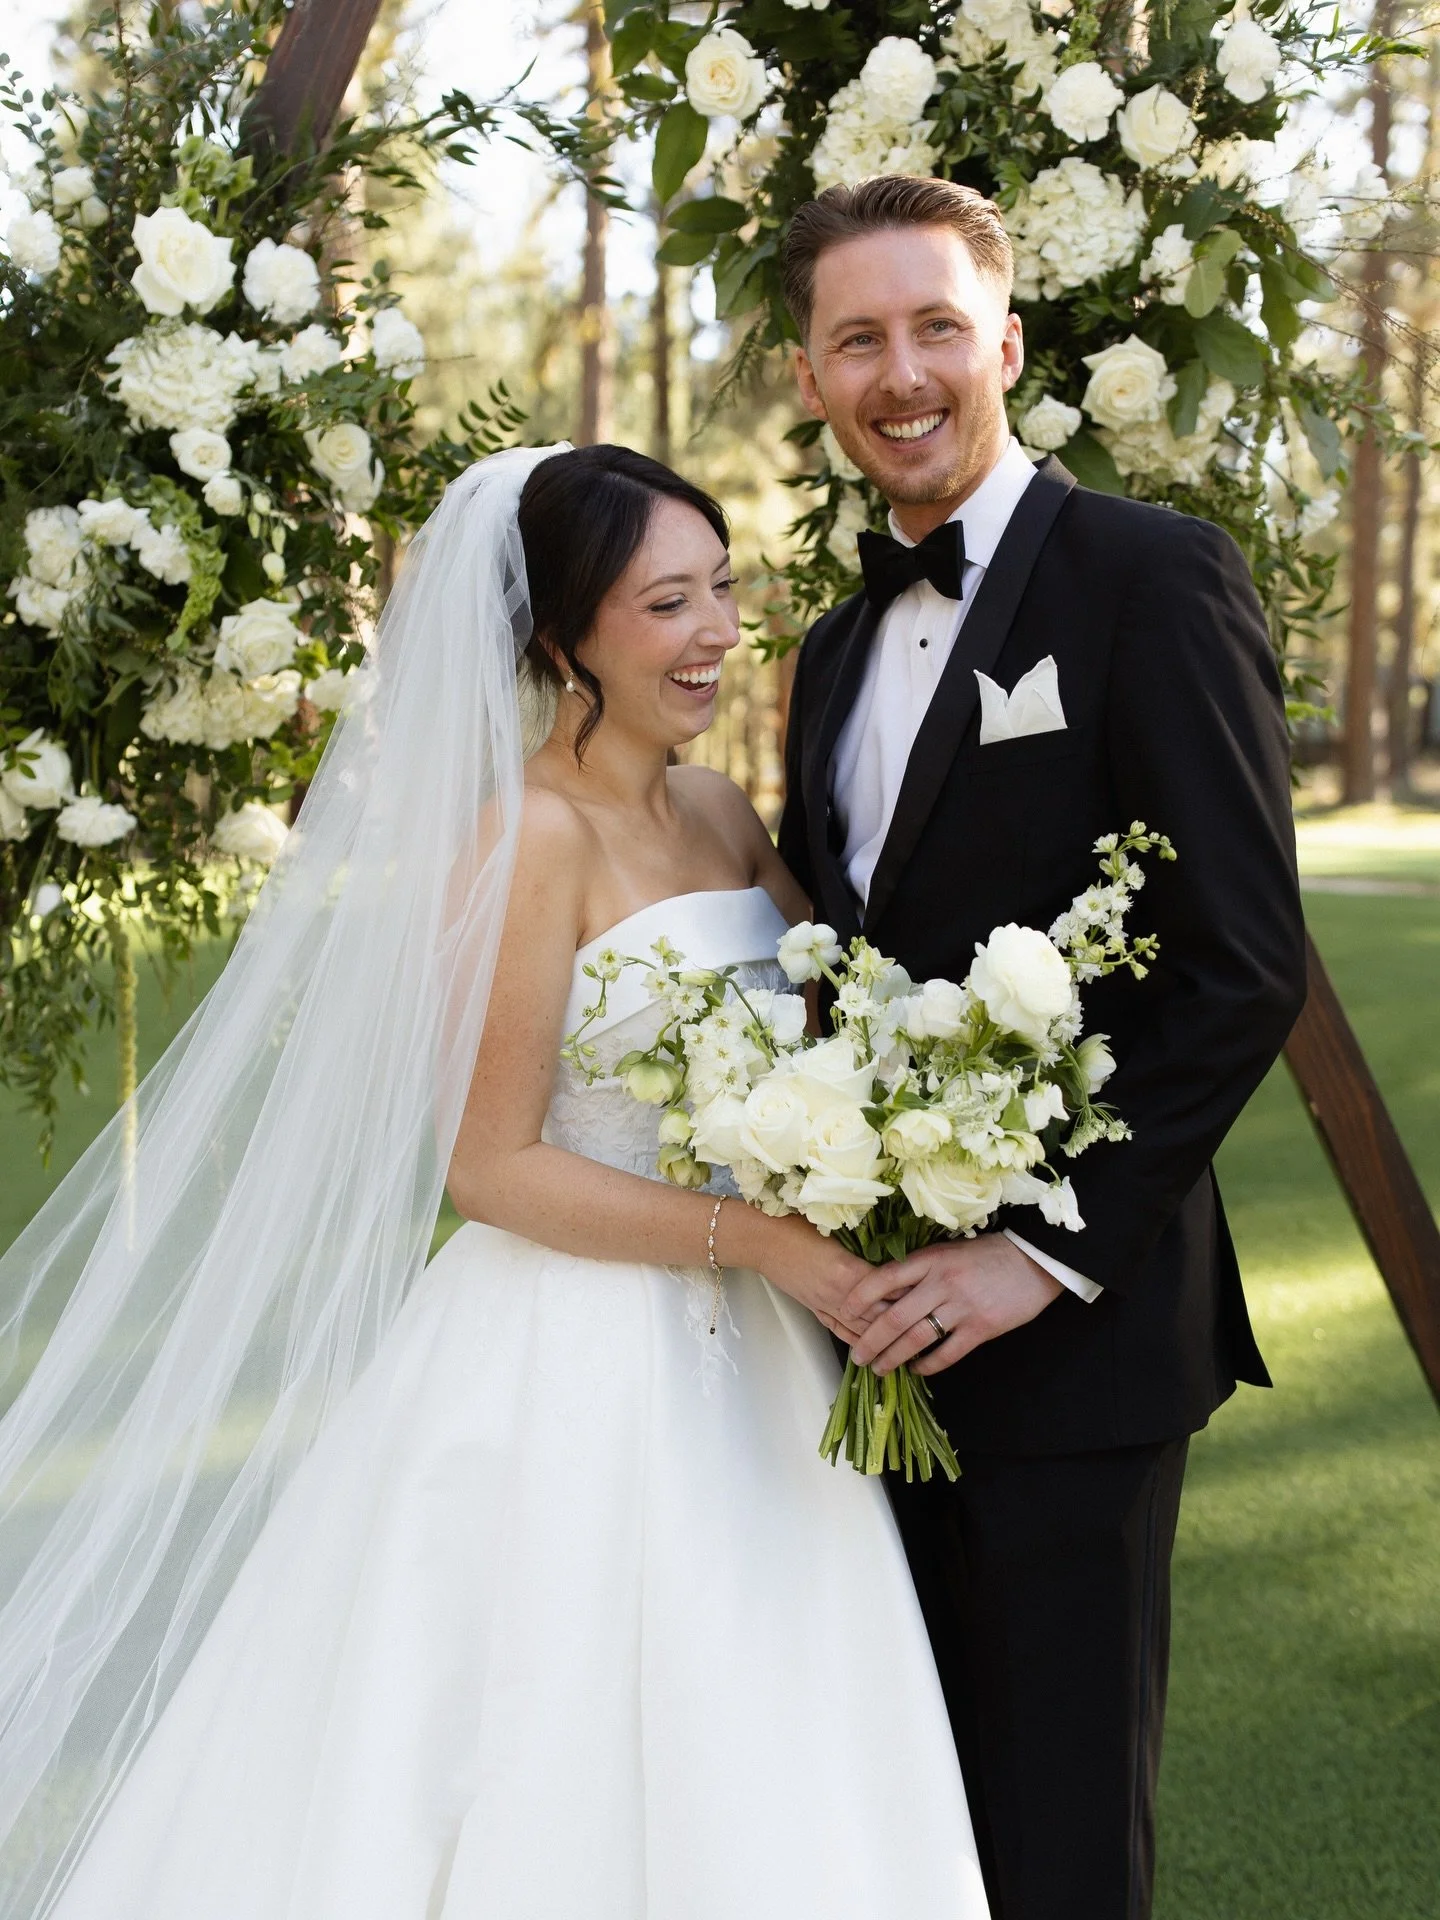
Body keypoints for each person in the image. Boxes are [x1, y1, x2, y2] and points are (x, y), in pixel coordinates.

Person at [0, 444, 989, 1919]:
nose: (718, 629)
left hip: (766, 1361)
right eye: (668, 603)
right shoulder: (524, 838)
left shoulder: (718, 815)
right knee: (543, 1731)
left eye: (721, 586)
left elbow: (840, 1021)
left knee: (774, 1710)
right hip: (577, 1355)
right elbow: (491, 1166)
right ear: (559, 639)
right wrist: (758, 1236)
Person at [776, 176, 1307, 1920]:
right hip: (865, 1344)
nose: (901, 371)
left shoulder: (1153, 576)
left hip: (1072, 1350)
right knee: (894, 1830)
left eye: (936, 327)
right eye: (859, 337)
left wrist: (1033, 1257)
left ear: (1007, 343)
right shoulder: (832, 649)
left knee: (1062, 1849)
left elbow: (1241, 967)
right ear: (810, 374)